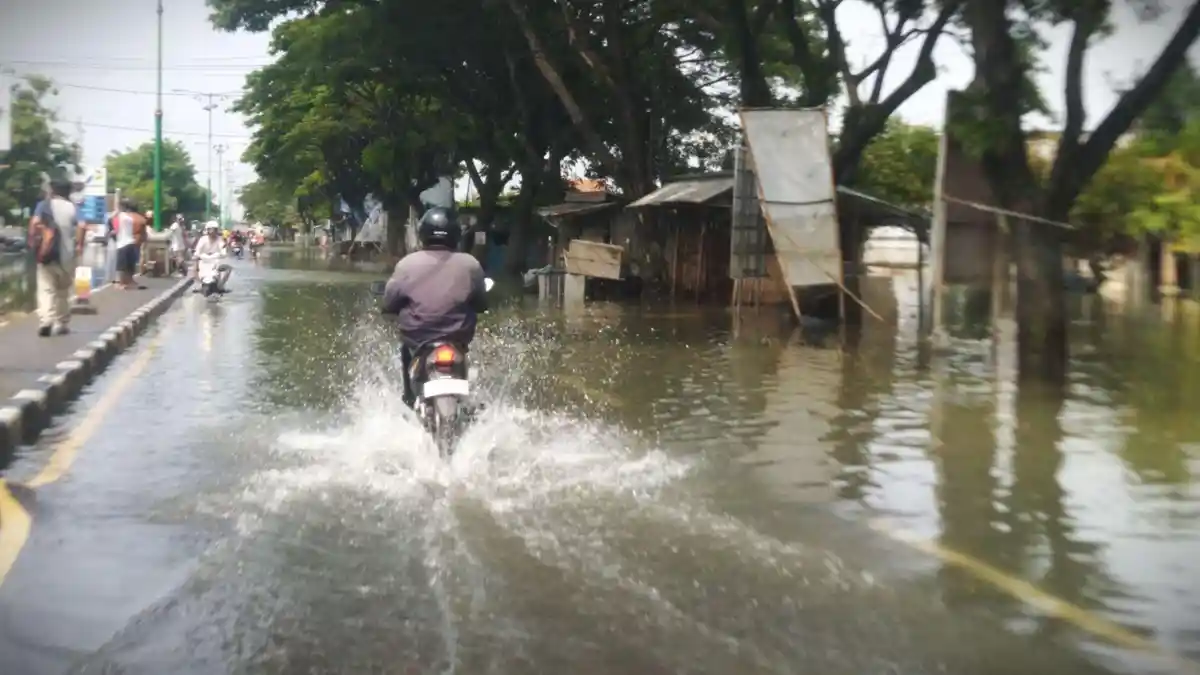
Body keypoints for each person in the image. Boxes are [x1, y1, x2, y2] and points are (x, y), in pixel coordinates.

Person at [381, 207, 488, 407]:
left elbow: (389, 302)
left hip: (418, 339)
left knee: (405, 349)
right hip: (457, 338)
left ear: (423, 234)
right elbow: (482, 303)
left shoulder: (407, 264)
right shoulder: (471, 264)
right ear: (456, 234)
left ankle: (409, 397)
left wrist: (390, 308)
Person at [28, 179, 85, 336]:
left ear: (52, 191)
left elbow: (35, 222)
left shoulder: (44, 205)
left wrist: (34, 241)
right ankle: (61, 323)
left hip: (46, 253)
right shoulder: (73, 207)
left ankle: (46, 320)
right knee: (63, 291)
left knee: (46, 289)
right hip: (67, 256)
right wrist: (79, 245)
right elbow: (82, 225)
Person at [113, 199, 147, 289]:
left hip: (122, 243)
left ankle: (120, 283)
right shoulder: (132, 217)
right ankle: (128, 281)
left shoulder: (120, 216)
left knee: (121, 266)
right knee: (129, 264)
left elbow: (115, 229)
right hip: (131, 242)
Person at [193, 221, 232, 292]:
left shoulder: (219, 239)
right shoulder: (203, 239)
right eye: (211, 230)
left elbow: (223, 250)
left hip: (215, 262)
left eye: (215, 230)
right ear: (207, 230)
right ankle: (199, 285)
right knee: (195, 269)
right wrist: (196, 262)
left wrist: (225, 248)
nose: (213, 232)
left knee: (228, 268)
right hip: (204, 262)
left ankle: (221, 286)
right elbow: (197, 252)